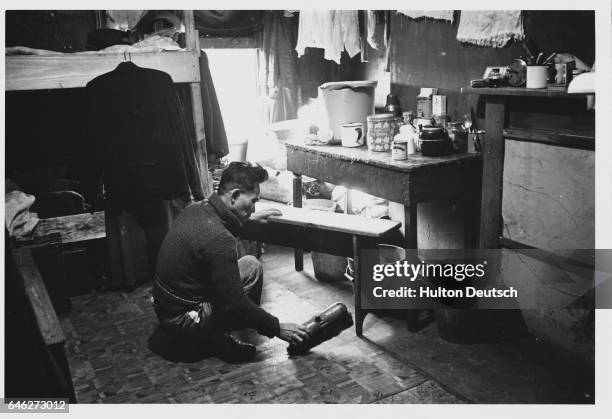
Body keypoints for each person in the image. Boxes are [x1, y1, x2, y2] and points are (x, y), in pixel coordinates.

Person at [148, 161, 309, 363]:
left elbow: (215, 227)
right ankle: (215, 341)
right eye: (252, 201)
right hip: (184, 321)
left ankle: (213, 333)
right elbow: (236, 303)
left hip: (166, 308)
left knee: (250, 266)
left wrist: (247, 218)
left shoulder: (197, 209)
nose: (254, 207)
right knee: (242, 290)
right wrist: (277, 327)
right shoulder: (220, 239)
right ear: (233, 196)